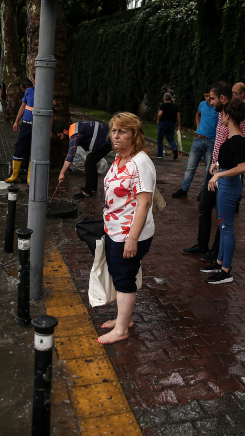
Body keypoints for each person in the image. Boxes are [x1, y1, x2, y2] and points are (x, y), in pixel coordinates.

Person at [181, 83, 245, 257]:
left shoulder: (239, 121)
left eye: (212, 98)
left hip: (226, 174)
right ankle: (202, 245)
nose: (209, 101)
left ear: (222, 99)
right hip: (214, 171)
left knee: (222, 213)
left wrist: (237, 160)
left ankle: (216, 251)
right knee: (204, 207)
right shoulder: (220, 116)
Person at [97, 112, 155, 345]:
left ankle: (122, 329)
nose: (116, 136)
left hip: (129, 233)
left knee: (123, 278)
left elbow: (144, 203)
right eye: (113, 131)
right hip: (115, 229)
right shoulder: (120, 158)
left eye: (123, 131)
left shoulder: (140, 163)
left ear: (134, 135)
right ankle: (125, 318)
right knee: (119, 273)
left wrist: (132, 238)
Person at [199, 99, 245, 284]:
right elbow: (231, 162)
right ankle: (219, 262)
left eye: (223, 114)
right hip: (226, 185)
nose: (221, 116)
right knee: (222, 226)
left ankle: (226, 270)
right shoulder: (231, 137)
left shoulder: (237, 140)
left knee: (227, 228)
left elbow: (242, 167)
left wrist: (219, 175)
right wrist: (218, 167)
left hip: (230, 187)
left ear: (228, 115)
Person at [172, 87, 217, 198]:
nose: (207, 99)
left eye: (209, 97)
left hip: (211, 141)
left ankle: (203, 193)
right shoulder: (202, 104)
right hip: (198, 139)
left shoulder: (218, 108)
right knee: (190, 167)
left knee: (208, 169)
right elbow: (198, 113)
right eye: (206, 96)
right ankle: (184, 189)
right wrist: (198, 126)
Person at [55, 120, 112, 198]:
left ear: (64, 130)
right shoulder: (74, 127)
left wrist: (62, 173)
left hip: (107, 141)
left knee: (90, 161)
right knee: (91, 160)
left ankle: (87, 192)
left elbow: (70, 155)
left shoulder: (75, 134)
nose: (61, 138)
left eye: (60, 135)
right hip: (107, 137)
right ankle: (92, 187)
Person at [4, 79, 35, 184]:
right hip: (26, 125)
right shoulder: (29, 92)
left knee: (33, 151)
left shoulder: (45, 93)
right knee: (19, 148)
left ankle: (30, 178)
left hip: (38, 127)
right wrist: (16, 122)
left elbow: (52, 109)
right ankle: (14, 175)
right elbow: (23, 107)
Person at [156, 93, 180, 159]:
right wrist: (179, 124)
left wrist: (158, 120)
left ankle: (160, 154)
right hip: (172, 123)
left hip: (163, 123)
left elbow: (160, 114)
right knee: (170, 138)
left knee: (160, 138)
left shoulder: (163, 105)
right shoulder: (175, 106)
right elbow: (178, 115)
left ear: (164, 99)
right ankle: (174, 148)